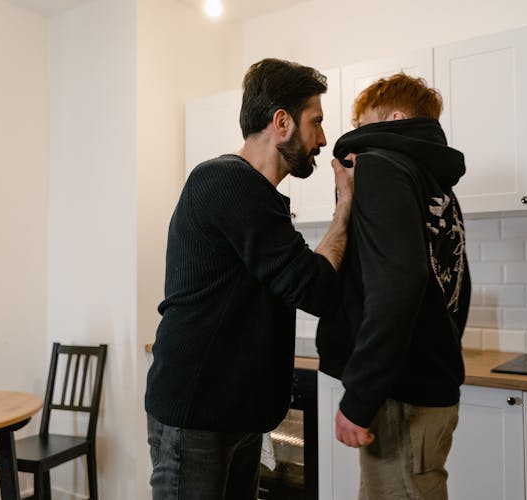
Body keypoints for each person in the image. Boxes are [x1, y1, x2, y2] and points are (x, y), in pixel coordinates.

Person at [145, 58, 354, 500]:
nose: (322, 138)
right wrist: (345, 210)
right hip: (197, 415)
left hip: (235, 417)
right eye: (315, 122)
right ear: (282, 122)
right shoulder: (226, 181)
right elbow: (312, 287)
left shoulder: (259, 197)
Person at [316, 73, 471, 500]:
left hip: (401, 394)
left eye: (364, 124)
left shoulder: (382, 163)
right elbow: (452, 283)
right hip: (429, 385)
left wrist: (359, 398)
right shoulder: (433, 183)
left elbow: (398, 282)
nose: (358, 140)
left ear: (396, 119)